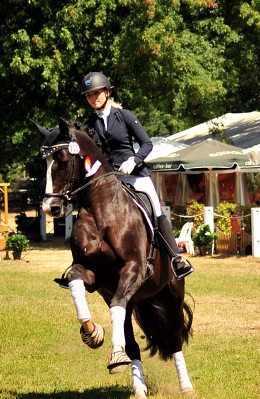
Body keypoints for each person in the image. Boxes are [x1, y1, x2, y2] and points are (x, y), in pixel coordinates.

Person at [81, 71, 194, 279]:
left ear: (107, 92)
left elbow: (147, 144)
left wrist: (133, 161)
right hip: (109, 181)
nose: (94, 98)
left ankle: (176, 259)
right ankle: (79, 263)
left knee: (156, 210)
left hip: (135, 175)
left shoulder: (124, 116)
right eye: (89, 95)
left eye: (97, 93)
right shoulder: (88, 126)